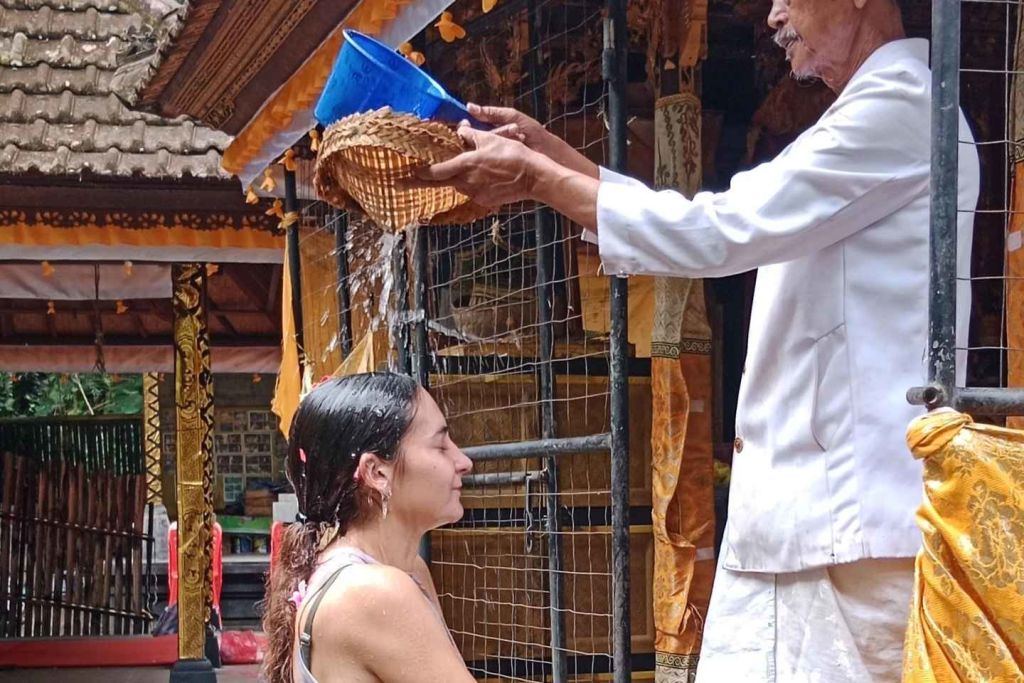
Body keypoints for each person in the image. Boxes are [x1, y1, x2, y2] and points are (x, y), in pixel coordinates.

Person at [413, 0, 980, 680]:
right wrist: (555, 162)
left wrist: (540, 178)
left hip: (840, 528)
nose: (774, 16)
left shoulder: (902, 106)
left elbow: (719, 231)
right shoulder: (888, 108)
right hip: (816, 524)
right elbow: (714, 221)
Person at [262, 372, 475, 683]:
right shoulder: (373, 591)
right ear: (377, 473)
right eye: (441, 446)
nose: (464, 461)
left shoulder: (408, 569)